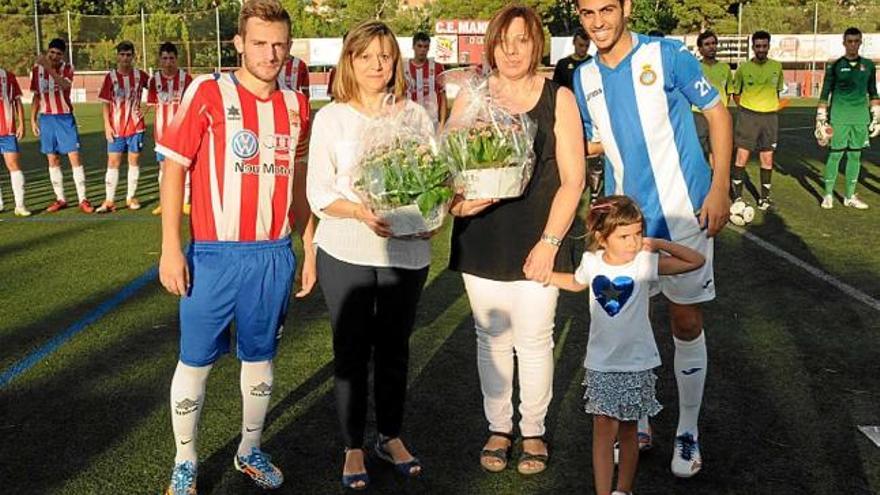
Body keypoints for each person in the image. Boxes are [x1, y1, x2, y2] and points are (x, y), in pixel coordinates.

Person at [156, 1, 316, 493]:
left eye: (279, 45)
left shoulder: (296, 104)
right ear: (238, 44)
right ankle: (186, 459)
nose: (271, 54)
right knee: (196, 359)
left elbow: (300, 180)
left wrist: (307, 246)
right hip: (213, 254)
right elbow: (176, 166)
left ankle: (249, 449)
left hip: (271, 253)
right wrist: (170, 247)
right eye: (260, 43)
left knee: (260, 356)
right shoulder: (207, 91)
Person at [574, 0, 733, 478]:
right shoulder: (584, 79)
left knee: (684, 322)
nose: (598, 21)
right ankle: (638, 420)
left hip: (685, 211)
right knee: (628, 323)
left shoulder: (667, 55)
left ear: (627, 7)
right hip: (625, 226)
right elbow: (589, 142)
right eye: (586, 13)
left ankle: (687, 431)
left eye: (606, 9)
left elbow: (718, 113)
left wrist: (720, 185)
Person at [449, 4, 586, 476]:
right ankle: (498, 427)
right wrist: (458, 203)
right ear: (491, 44)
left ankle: (533, 430)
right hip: (482, 238)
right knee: (490, 337)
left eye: (522, 40)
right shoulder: (472, 96)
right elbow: (449, 170)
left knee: (533, 338)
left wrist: (550, 242)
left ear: (537, 45)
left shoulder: (559, 98)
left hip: (538, 237)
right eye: (504, 40)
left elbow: (573, 179)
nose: (511, 50)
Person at [306, 20, 430, 491]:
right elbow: (318, 191)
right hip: (346, 249)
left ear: (395, 61)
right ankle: (353, 445)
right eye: (366, 57)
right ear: (349, 63)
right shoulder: (332, 118)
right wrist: (359, 211)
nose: (377, 65)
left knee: (395, 351)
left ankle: (390, 436)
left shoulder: (415, 115)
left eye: (385, 55)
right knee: (352, 352)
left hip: (406, 252)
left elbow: (434, 178)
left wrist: (432, 216)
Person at [547, 195, 705, 495]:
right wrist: (544, 275)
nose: (633, 242)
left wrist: (657, 243)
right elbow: (576, 283)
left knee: (630, 431)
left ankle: (624, 490)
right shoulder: (590, 262)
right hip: (600, 363)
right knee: (603, 433)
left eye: (637, 233)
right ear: (601, 237)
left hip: (637, 363)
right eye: (624, 236)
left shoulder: (644, 264)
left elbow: (695, 260)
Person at [816, 27, 879, 210]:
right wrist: (821, 117)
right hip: (839, 117)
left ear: (860, 42)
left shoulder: (868, 65)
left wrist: (876, 116)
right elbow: (825, 92)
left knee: (855, 156)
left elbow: (873, 92)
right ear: (844, 43)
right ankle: (828, 194)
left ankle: (849, 196)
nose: (853, 44)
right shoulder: (835, 66)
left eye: (856, 41)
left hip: (860, 118)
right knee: (835, 154)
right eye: (849, 41)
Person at [31, 38, 94, 213]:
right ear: (48, 51)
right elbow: (37, 96)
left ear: (63, 55)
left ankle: (83, 199)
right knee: (52, 159)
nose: (54, 56)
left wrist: (47, 67)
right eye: (51, 52)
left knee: (74, 157)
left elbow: (64, 84)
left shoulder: (67, 68)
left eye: (58, 54)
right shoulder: (37, 70)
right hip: (46, 119)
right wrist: (33, 119)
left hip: (64, 118)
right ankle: (61, 198)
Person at [730, 30, 783, 211]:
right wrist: (747, 108)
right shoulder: (743, 68)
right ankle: (737, 198)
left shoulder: (777, 66)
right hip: (748, 117)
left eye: (764, 46)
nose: (761, 49)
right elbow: (736, 94)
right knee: (741, 156)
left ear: (769, 46)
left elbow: (777, 91)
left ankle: (764, 199)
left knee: (767, 159)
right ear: (753, 47)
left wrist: (767, 106)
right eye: (758, 46)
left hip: (770, 118)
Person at [95, 41, 150, 213]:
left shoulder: (140, 75)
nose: (125, 58)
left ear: (133, 56)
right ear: (117, 56)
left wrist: (147, 110)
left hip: (136, 127)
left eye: (128, 55)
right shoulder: (110, 77)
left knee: (133, 162)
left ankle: (130, 197)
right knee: (113, 162)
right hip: (116, 128)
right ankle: (109, 200)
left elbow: (157, 90)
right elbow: (105, 103)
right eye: (122, 54)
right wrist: (107, 125)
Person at [149, 42, 193, 216]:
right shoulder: (154, 81)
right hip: (162, 134)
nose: (168, 62)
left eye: (171, 58)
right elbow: (154, 106)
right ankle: (164, 201)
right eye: (165, 58)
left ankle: (185, 201)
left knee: (184, 167)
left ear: (177, 59)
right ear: (160, 60)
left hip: (182, 132)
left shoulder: (186, 79)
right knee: (164, 168)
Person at [694, 31, 733, 168]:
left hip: (719, 115)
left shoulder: (725, 68)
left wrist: (722, 107)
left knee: (716, 150)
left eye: (714, 43)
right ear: (700, 49)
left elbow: (728, 92)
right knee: (698, 150)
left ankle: (714, 181)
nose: (711, 47)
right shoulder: (694, 67)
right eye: (707, 44)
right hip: (698, 115)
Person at [0, 65, 30, 216]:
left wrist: (22, 124)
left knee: (14, 165)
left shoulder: (8, 77)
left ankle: (20, 205)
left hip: (7, 130)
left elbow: (17, 101)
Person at [405, 32, 448, 126]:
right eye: (419, 46)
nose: (422, 50)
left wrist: (442, 124)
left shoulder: (437, 67)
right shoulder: (404, 68)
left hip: (432, 120)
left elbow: (443, 96)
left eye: (425, 47)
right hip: (409, 120)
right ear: (413, 47)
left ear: (429, 48)